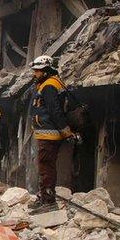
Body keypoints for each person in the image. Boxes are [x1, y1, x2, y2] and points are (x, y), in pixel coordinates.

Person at [29, 55, 78, 212]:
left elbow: (55, 111)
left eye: (37, 71)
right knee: (45, 167)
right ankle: (44, 197)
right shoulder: (50, 84)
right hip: (47, 134)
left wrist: (66, 132)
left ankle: (48, 201)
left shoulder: (49, 85)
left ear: (46, 71)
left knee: (46, 168)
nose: (34, 74)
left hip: (49, 135)